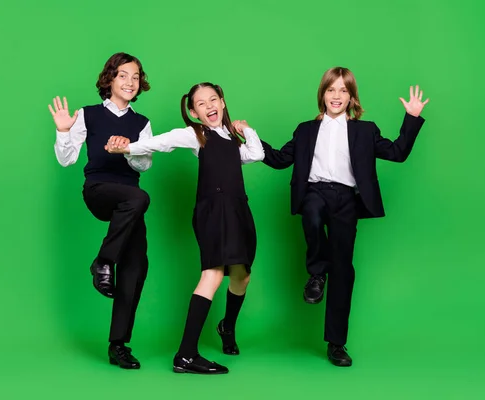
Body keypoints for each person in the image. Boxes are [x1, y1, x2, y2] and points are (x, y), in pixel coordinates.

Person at [260, 67, 429, 367]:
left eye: (343, 90)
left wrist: (412, 118)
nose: (336, 96)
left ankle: (336, 343)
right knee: (310, 212)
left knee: (343, 270)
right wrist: (247, 137)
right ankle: (316, 272)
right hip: (314, 191)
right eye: (331, 90)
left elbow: (397, 152)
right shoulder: (305, 130)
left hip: (346, 200)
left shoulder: (365, 130)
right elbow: (279, 159)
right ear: (322, 95)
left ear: (351, 97)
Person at [105, 82, 264, 374]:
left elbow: (257, 154)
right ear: (193, 112)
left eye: (213, 99)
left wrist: (246, 130)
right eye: (201, 104)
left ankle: (227, 327)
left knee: (242, 276)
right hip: (212, 212)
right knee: (213, 274)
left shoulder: (233, 139)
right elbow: (161, 142)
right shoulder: (195, 135)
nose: (209, 106)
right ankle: (186, 354)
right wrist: (127, 147)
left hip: (240, 210)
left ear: (223, 102)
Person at [49, 52, 153, 369]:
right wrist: (64, 130)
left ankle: (118, 345)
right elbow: (66, 159)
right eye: (123, 75)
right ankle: (104, 261)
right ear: (109, 78)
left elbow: (144, 164)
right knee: (139, 198)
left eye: (135, 77)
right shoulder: (89, 115)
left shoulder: (141, 123)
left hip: (129, 200)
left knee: (136, 266)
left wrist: (128, 149)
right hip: (98, 190)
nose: (130, 82)